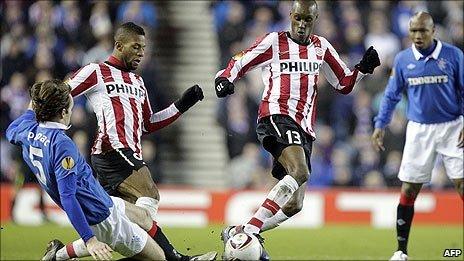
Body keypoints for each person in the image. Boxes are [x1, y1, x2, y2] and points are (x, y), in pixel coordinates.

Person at [214, 0, 380, 258]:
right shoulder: (274, 42)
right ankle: (249, 232)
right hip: (276, 115)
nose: (302, 25)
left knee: (295, 204)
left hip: (303, 127)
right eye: (298, 18)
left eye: (308, 20)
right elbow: (242, 59)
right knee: (299, 171)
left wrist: (362, 70)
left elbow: (343, 83)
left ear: (315, 20)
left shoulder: (322, 47)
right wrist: (224, 77)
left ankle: (240, 230)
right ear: (290, 15)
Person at [61, 22, 216, 261]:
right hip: (110, 150)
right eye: (135, 47)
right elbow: (62, 92)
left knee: (119, 226)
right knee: (150, 193)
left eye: (143, 48)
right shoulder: (96, 72)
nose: (141, 53)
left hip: (130, 152)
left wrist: (181, 105)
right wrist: (47, 121)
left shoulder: (138, 83)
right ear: (119, 45)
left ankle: (59, 255)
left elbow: (149, 123)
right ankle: (177, 258)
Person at [6, 79, 166, 260]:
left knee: (144, 216)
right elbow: (68, 197)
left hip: (102, 200)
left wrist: (39, 99)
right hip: (102, 216)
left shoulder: (26, 130)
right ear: (63, 112)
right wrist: (89, 240)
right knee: (158, 258)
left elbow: (11, 129)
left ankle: (57, 256)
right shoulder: (61, 144)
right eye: (71, 109)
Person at [371, 12, 463, 261]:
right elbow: (391, 95)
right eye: (413, 31)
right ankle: (401, 250)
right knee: (410, 188)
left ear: (433, 31)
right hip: (419, 129)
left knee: (461, 184)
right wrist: (380, 124)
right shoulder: (402, 60)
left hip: (453, 126)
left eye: (422, 31)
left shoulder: (453, 56)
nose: (418, 36)